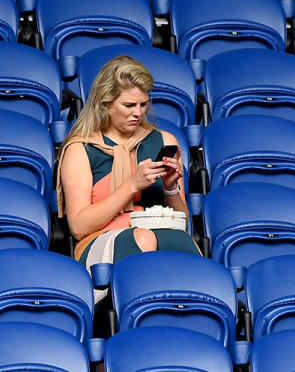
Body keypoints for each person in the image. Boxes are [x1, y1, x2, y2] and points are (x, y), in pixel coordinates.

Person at [56, 55, 201, 272]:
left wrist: (171, 187)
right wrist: (131, 185)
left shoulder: (164, 140)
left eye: (143, 104)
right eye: (128, 105)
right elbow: (79, 227)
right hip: (100, 241)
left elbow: (181, 221)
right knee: (142, 238)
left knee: (182, 241)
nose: (138, 113)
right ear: (105, 103)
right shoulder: (80, 149)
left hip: (161, 231)